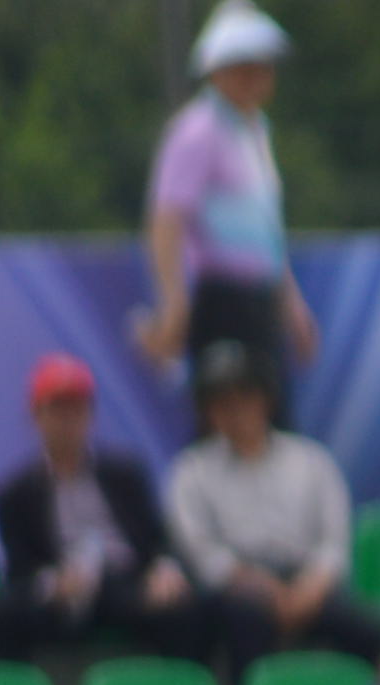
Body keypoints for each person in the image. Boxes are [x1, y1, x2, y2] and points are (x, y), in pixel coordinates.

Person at [166, 342, 380, 681]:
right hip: (237, 591)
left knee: (375, 631)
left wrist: (309, 590)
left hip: (306, 582)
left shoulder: (312, 461)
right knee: (245, 621)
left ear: (265, 399)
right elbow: (204, 554)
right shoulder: (191, 470)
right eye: (222, 402)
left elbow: (333, 544)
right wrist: (266, 590)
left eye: (244, 397)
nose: (235, 411)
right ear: (208, 411)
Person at [142, 5, 314, 406]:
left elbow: (266, 232)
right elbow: (167, 219)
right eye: (243, 67)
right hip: (221, 299)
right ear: (217, 72)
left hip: (259, 299)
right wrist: (174, 303)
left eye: (262, 67)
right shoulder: (197, 130)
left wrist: (292, 306)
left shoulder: (255, 132)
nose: (256, 77)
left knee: (269, 416)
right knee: (228, 411)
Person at [0, 354, 201, 665]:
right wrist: (54, 584)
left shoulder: (125, 475)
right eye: (58, 409)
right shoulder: (15, 493)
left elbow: (156, 539)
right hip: (63, 590)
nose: (68, 420)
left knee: (182, 608)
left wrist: (164, 570)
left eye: (76, 409)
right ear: (36, 416)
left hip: (125, 581)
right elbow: (19, 569)